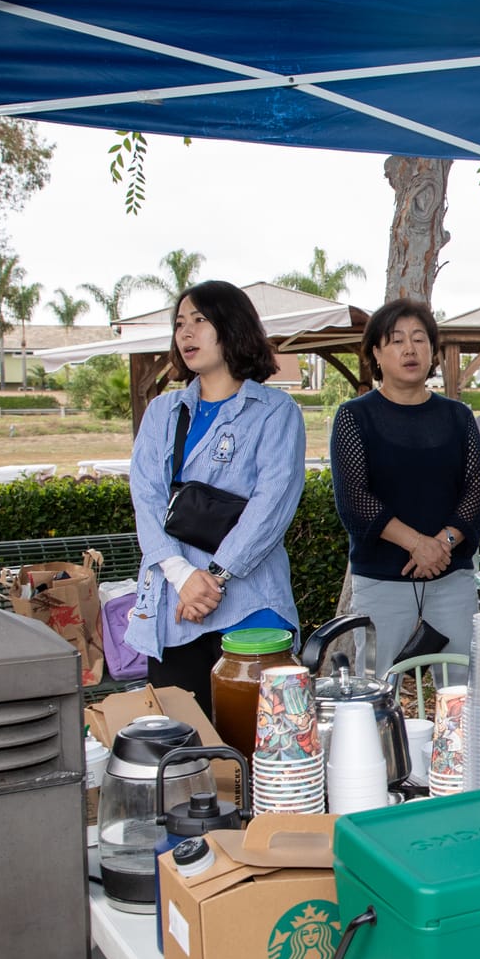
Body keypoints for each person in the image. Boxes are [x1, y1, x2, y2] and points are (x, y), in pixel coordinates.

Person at [126, 280, 306, 712]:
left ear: (232, 327)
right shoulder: (162, 413)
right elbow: (146, 498)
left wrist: (214, 579)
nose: (186, 333)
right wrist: (182, 576)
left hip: (250, 604)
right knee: (184, 751)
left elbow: (272, 506)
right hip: (174, 606)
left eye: (201, 321)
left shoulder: (275, 412)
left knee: (262, 745)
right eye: (180, 324)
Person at [330, 300, 480, 678]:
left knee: (462, 690)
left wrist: (441, 544)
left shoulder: (458, 416)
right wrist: (417, 543)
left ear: (432, 351)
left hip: (450, 576)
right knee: (378, 688)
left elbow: (476, 493)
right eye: (396, 340)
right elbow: (355, 501)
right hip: (382, 578)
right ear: (376, 353)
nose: (409, 349)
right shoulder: (355, 416)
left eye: (419, 339)